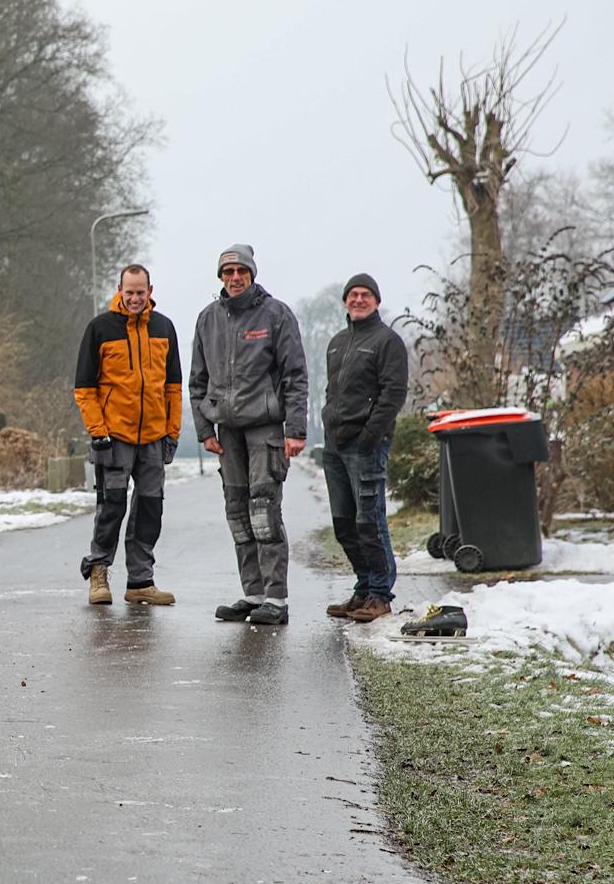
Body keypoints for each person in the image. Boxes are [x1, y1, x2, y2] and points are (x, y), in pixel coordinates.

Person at [190, 244, 308, 626]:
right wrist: (205, 430)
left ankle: (276, 598)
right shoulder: (207, 319)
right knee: (237, 513)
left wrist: (296, 429)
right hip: (227, 432)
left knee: (263, 510)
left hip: (265, 428)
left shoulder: (275, 314)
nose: (235, 277)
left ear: (252, 274)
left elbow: (295, 375)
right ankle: (253, 594)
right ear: (221, 277)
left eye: (242, 271)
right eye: (228, 272)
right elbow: (197, 382)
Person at [72, 264, 183, 606]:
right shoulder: (100, 328)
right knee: (111, 508)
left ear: (150, 291)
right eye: (129, 292)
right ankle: (99, 573)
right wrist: (98, 432)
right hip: (113, 438)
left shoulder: (164, 327)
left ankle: (140, 581)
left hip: (154, 438)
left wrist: (172, 433)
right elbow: (84, 389)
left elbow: (173, 387)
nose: (135, 298)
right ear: (119, 290)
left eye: (140, 292)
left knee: (150, 510)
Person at [321, 273, 409, 624]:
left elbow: (393, 393)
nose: (358, 300)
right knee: (344, 524)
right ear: (345, 301)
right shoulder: (337, 342)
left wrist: (372, 435)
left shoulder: (387, 341)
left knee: (369, 522)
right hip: (335, 445)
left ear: (376, 301)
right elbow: (332, 391)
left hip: (366, 445)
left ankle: (380, 595)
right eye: (353, 294)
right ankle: (363, 588)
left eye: (365, 295)